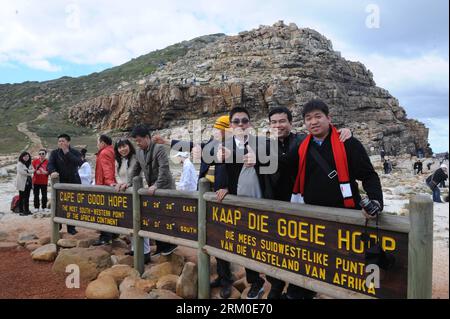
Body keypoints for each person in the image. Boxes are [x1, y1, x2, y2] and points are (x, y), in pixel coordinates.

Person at [291, 100, 383, 297]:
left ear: (328, 118)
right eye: (308, 118)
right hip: (313, 218)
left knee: (349, 264)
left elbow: (368, 175)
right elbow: (283, 166)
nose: (313, 122)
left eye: (318, 116)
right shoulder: (301, 146)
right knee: (314, 260)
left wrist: (375, 201)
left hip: (346, 215)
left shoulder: (348, 142)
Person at [264, 106, 351, 299]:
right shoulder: (262, 145)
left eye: (282, 121)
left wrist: (345, 131)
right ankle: (276, 287)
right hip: (272, 204)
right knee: (274, 249)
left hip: (301, 205)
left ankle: (301, 290)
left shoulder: (303, 141)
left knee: (303, 251)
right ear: (269, 125)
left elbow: (326, 141)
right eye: (274, 122)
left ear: (290, 122)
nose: (278, 125)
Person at [214, 107, 276, 300]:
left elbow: (276, 163)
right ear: (231, 125)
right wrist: (223, 186)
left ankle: (276, 282)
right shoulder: (225, 146)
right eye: (236, 121)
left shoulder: (262, 143)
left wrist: (258, 161)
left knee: (266, 243)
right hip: (238, 203)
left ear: (249, 123)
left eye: (244, 121)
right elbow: (221, 168)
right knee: (245, 242)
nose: (241, 124)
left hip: (261, 200)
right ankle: (255, 282)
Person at [117, 125, 177, 257]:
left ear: (147, 138)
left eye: (139, 140)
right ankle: (161, 247)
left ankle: (170, 245)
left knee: (166, 217)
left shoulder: (159, 149)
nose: (137, 143)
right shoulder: (139, 152)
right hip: (151, 189)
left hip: (165, 188)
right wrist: (128, 183)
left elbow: (164, 169)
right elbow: (136, 170)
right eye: (136, 141)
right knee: (155, 217)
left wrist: (156, 185)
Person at [114, 138, 151, 264]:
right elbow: (117, 175)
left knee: (140, 221)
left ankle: (145, 252)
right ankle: (134, 248)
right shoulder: (118, 161)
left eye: (124, 146)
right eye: (119, 147)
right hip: (124, 194)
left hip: (137, 193)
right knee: (129, 221)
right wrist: (120, 184)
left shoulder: (136, 158)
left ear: (129, 146)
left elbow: (138, 175)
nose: (122, 149)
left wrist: (127, 184)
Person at [48, 134, 83, 235]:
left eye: (63, 141)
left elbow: (79, 163)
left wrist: (67, 153)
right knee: (59, 204)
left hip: (73, 182)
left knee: (72, 206)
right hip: (60, 183)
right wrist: (52, 171)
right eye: (59, 141)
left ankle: (71, 227)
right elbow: (50, 164)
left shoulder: (75, 152)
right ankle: (58, 225)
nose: (61, 143)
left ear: (68, 142)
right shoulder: (54, 153)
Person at [92, 135, 117, 246]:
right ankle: (114, 233)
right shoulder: (111, 150)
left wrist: (109, 182)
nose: (97, 145)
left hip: (104, 186)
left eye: (98, 142)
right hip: (108, 184)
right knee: (112, 211)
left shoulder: (104, 153)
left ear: (103, 143)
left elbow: (107, 169)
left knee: (103, 212)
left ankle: (105, 238)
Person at [15, 152, 34, 216]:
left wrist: (28, 171)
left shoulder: (29, 163)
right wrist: (29, 171)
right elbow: (22, 172)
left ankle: (27, 210)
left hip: (29, 182)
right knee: (21, 197)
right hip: (22, 182)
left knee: (27, 197)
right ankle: (21, 211)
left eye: (28, 156)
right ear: (22, 157)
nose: (26, 157)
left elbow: (33, 170)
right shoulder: (19, 164)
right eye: (25, 156)